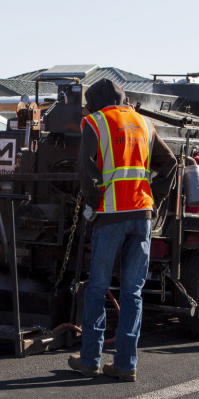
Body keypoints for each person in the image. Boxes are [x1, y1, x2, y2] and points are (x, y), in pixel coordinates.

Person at [68, 79, 177, 382]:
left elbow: (85, 168)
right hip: (141, 215)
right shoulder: (144, 123)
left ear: (97, 103)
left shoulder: (96, 122)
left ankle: (90, 360)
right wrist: (154, 195)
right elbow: (170, 163)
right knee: (132, 292)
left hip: (110, 216)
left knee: (98, 289)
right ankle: (126, 365)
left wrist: (91, 202)